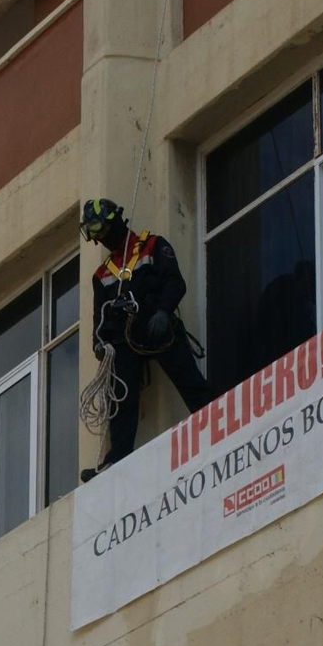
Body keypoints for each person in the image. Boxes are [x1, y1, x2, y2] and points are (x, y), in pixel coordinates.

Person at [80, 198, 214, 478]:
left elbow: (174, 282)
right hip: (124, 341)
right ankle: (117, 460)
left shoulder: (152, 246)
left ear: (116, 221)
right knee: (121, 396)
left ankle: (215, 421)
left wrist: (164, 312)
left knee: (187, 377)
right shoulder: (102, 274)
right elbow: (99, 317)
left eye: (102, 230)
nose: (102, 239)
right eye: (96, 235)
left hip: (157, 326)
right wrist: (99, 343)